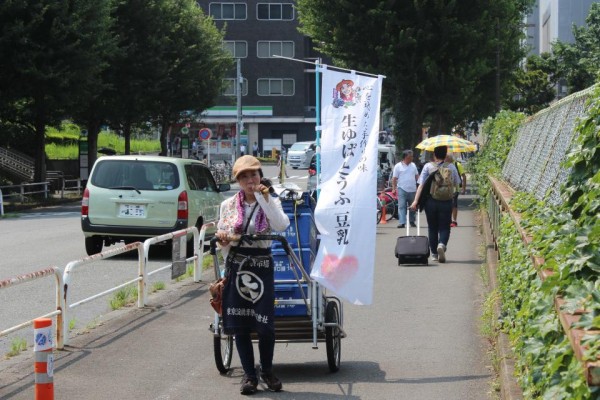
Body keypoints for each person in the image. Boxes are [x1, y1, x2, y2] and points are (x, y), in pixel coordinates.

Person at [216, 155, 290, 395]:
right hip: (237, 265)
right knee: (240, 324)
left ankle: (266, 370)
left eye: (254, 174)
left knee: (265, 323)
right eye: (244, 176)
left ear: (260, 176)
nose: (250, 180)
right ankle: (249, 376)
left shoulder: (270, 199)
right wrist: (223, 239)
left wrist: (264, 198)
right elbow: (221, 233)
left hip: (261, 264)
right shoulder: (228, 205)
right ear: (238, 180)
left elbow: (281, 225)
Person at [409, 145, 460, 263]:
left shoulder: (428, 166)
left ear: (434, 155)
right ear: (445, 154)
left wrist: (416, 201)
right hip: (446, 201)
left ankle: (434, 254)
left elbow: (421, 185)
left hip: (430, 201)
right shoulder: (451, 167)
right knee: (445, 226)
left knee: (432, 227)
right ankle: (441, 244)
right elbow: (457, 182)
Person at [391, 150, 419, 228]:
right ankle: (402, 222)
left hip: (412, 189)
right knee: (402, 206)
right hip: (402, 189)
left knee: (412, 206)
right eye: (410, 157)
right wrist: (393, 188)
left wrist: (419, 185)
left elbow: (417, 176)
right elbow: (394, 178)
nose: (411, 158)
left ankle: (412, 221)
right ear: (405, 157)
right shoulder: (398, 166)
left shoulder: (413, 165)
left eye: (412, 157)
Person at [445, 153, 467, 227]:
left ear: (449, 158)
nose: (445, 159)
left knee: (454, 204)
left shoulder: (457, 165)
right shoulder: (442, 165)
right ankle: (448, 219)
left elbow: (463, 176)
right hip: (445, 189)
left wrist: (463, 188)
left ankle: (454, 221)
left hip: (455, 188)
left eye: (446, 158)